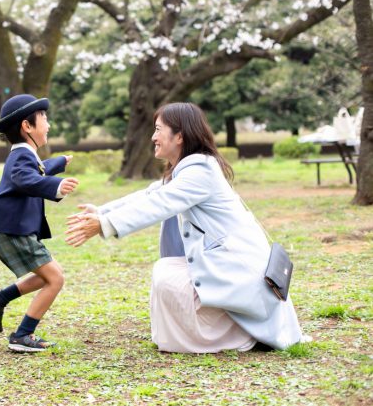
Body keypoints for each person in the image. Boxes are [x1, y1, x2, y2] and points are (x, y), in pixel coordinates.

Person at [65, 102, 306, 353]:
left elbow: (159, 203)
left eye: (159, 130)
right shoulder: (188, 169)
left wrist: (104, 225)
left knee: (168, 276)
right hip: (231, 267)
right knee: (167, 271)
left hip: (242, 273)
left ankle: (241, 335)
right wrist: (102, 212)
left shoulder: (199, 171)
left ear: (179, 136)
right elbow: (149, 195)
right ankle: (214, 332)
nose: (153, 137)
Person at [0, 94, 79, 353]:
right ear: (27, 126)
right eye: (44, 118)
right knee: (55, 279)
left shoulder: (24, 155)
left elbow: (37, 170)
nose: (48, 123)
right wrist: (56, 185)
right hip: (12, 231)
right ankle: (23, 335)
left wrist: (58, 163)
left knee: (46, 275)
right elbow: (26, 178)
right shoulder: (21, 158)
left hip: (11, 229)